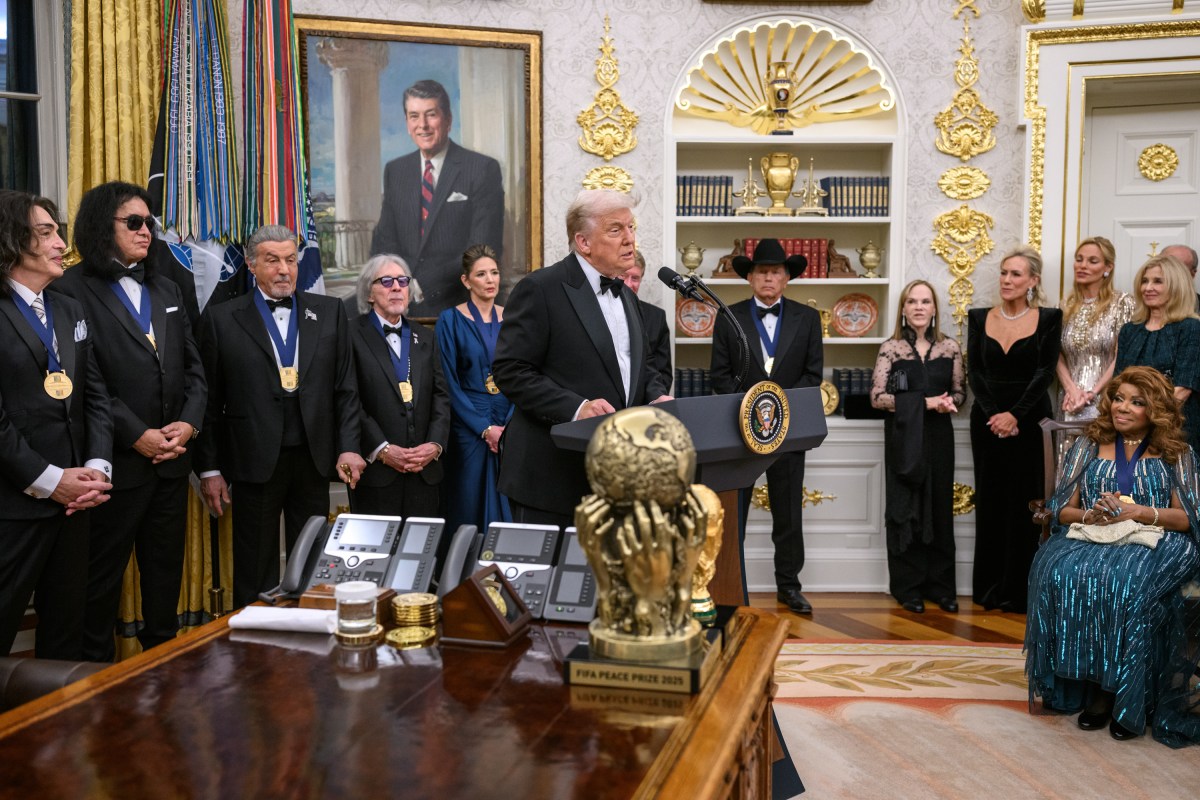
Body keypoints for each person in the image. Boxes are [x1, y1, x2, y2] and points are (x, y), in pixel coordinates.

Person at [50, 181, 207, 660]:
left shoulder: (168, 285)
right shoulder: (67, 289)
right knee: (100, 581)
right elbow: (85, 384)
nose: (146, 232)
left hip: (172, 461)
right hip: (114, 464)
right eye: (133, 223)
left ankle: (165, 668)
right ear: (103, 225)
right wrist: (137, 435)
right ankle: (93, 678)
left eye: (150, 223)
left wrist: (189, 424)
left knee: (166, 577)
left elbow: (195, 368)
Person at [1026, 366, 1200, 745]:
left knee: (1126, 584)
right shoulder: (1088, 445)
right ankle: (1094, 689)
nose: (1122, 407)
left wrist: (1139, 512)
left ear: (1156, 410)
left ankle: (1126, 696)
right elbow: (1062, 510)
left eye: (1136, 402)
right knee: (1061, 572)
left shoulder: (1177, 453)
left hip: (1158, 539)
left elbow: (1186, 519)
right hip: (1096, 534)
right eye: (1118, 398)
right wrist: (1093, 514)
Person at [196, 225, 366, 609]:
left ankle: (306, 649)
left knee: (311, 563)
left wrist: (350, 447)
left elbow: (346, 389)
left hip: (314, 457)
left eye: (290, 259)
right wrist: (209, 469)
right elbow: (207, 401)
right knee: (254, 568)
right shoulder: (222, 319)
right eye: (272, 261)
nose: (284, 270)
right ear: (253, 265)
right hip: (252, 460)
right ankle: (252, 653)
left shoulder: (329, 312)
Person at [492, 189, 670, 528]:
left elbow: (639, 367)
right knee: (546, 581)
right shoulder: (541, 288)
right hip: (551, 474)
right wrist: (577, 408)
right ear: (583, 242)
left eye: (631, 228)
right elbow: (510, 370)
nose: (630, 239)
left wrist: (656, 397)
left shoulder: (627, 298)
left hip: (614, 476)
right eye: (616, 230)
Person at [0, 190, 113, 658]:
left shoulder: (67, 307)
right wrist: (50, 482)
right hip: (13, 507)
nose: (59, 243)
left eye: (57, 231)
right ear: (11, 240)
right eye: (45, 233)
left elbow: (95, 395)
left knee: (65, 638)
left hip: (76, 505)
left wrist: (97, 469)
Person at [710, 238, 823, 615]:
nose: (769, 278)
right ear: (750, 278)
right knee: (734, 513)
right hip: (739, 435)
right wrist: (749, 413)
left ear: (787, 278)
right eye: (762, 272)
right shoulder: (729, 317)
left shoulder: (808, 319)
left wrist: (779, 412)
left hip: (788, 433)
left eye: (776, 272)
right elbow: (720, 377)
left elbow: (813, 374)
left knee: (789, 514)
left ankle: (789, 587)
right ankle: (728, 584)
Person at [967, 246, 1062, 613]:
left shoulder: (1050, 318)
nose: (1007, 280)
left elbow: (1045, 373)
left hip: (1032, 421)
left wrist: (1014, 416)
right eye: (1004, 273)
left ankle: (1020, 593)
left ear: (1033, 281)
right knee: (991, 502)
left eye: (1016, 274)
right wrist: (995, 414)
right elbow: (975, 370)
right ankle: (989, 590)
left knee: (1027, 503)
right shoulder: (978, 317)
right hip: (987, 422)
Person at [370, 79, 504, 318]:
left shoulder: (482, 168)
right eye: (414, 116)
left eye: (431, 115)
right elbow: (384, 239)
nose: (423, 125)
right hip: (399, 294)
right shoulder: (396, 170)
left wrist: (420, 285)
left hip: (455, 297)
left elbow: (483, 247)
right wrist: (394, 284)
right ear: (406, 122)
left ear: (448, 120)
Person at [870, 280, 964, 614]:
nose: (919, 307)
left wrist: (948, 402)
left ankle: (941, 588)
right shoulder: (891, 348)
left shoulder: (950, 348)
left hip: (939, 438)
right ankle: (907, 588)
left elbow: (959, 392)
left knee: (938, 508)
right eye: (912, 301)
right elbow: (877, 398)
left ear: (935, 308)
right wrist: (924, 403)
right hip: (903, 438)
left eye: (926, 301)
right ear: (904, 309)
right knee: (905, 509)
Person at [351, 254, 450, 518]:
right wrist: (381, 449)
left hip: (424, 472)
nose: (396, 287)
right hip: (377, 475)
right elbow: (349, 401)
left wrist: (435, 445)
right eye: (386, 281)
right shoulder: (350, 336)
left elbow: (441, 396)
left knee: (421, 556)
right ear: (369, 293)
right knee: (377, 558)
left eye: (402, 281)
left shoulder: (426, 337)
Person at [436, 244, 511, 532]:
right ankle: (464, 572)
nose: (490, 280)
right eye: (481, 274)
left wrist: (509, 425)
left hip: (508, 422)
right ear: (466, 281)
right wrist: (483, 428)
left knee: (507, 498)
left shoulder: (512, 318)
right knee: (467, 502)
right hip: (469, 427)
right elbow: (448, 384)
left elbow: (523, 375)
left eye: (494, 272)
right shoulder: (450, 321)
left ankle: (506, 574)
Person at [1115, 253, 1200, 455]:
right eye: (1144, 281)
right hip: (1129, 429)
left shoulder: (1191, 328)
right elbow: (1117, 384)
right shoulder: (1129, 330)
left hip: (1174, 430)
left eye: (1157, 282)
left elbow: (1182, 390)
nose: (1148, 287)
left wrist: (1146, 421)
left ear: (1176, 285)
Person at [1054, 237, 1134, 434]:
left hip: (1107, 397)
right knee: (1067, 460)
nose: (1083, 266)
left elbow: (1122, 355)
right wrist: (1071, 390)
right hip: (1068, 399)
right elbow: (1055, 354)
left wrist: (1092, 393)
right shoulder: (1064, 306)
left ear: (1108, 268)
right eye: (1079, 259)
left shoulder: (1122, 303)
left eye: (1092, 261)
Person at [624, 250, 672, 393]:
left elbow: (663, 375)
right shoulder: (599, 310)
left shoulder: (657, 317)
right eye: (624, 276)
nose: (628, 284)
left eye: (635, 278)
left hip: (645, 406)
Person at [1159, 243, 1197, 312]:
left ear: (1192, 274)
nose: (1171, 273)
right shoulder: (1139, 306)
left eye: (1179, 268)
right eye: (1167, 266)